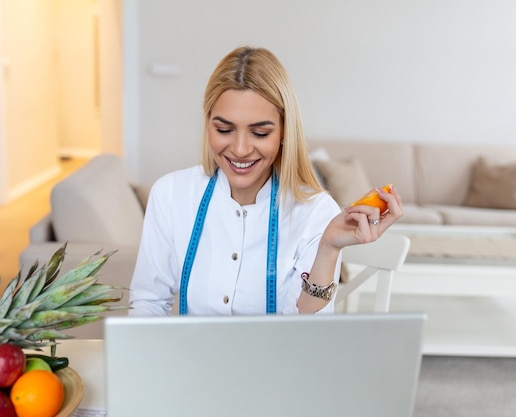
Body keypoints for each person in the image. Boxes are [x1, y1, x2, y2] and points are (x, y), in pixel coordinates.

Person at [129, 46, 403, 316]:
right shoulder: (171, 194)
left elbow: (310, 334)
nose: (240, 149)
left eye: (260, 133)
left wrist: (328, 248)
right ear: (207, 119)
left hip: (279, 360)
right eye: (224, 129)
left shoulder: (315, 212)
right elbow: (148, 303)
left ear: (284, 130)